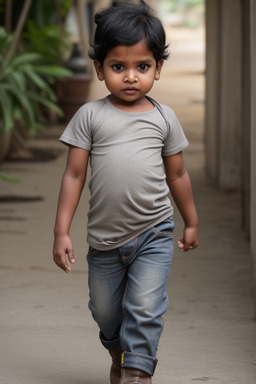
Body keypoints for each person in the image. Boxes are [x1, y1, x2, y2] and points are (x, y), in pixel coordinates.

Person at [53, 1, 199, 383]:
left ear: (158, 68)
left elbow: (178, 174)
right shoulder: (90, 116)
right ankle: (118, 350)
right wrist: (61, 231)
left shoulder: (164, 118)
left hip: (154, 232)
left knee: (146, 305)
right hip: (104, 242)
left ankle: (137, 370)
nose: (131, 77)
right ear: (100, 69)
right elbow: (73, 175)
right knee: (105, 312)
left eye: (142, 66)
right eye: (118, 67)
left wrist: (191, 221)